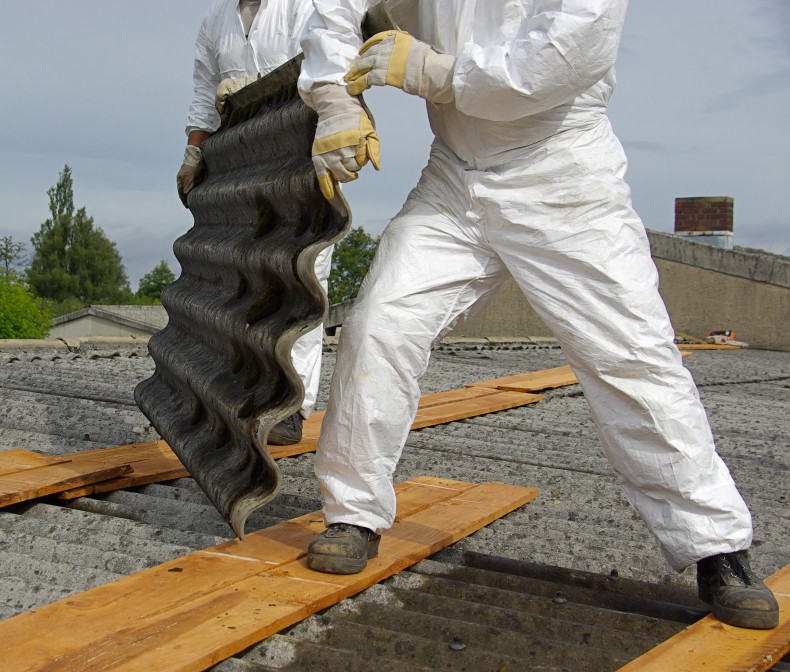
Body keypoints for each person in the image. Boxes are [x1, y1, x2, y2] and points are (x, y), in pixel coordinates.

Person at [296, 0, 780, 630]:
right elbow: (335, 7)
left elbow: (549, 65)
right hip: (453, 177)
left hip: (562, 173)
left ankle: (716, 548)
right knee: (379, 325)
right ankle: (353, 513)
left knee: (631, 357)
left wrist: (429, 72)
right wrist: (335, 98)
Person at [177, 0, 331, 445]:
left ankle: (292, 405)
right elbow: (205, 91)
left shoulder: (305, 6)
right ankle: (245, 390)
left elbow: (332, 65)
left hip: (302, 150)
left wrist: (266, 89)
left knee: (302, 275)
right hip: (241, 158)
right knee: (244, 276)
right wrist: (194, 152)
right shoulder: (217, 20)